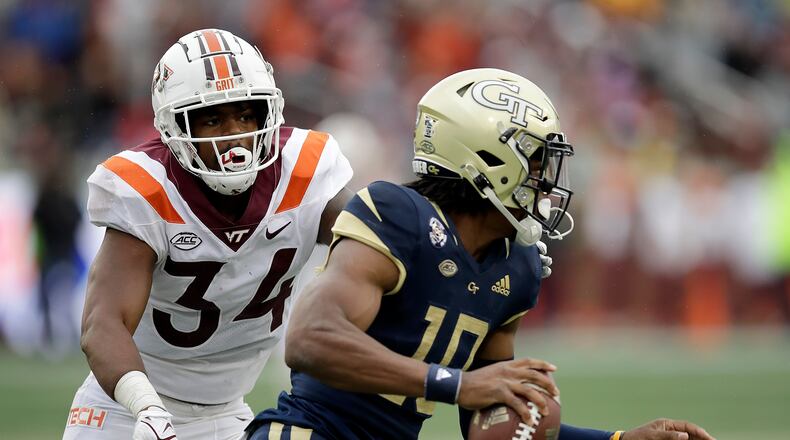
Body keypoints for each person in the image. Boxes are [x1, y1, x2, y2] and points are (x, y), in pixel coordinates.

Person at [244, 68, 715, 440]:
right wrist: (458, 384)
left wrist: (616, 439)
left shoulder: (518, 263)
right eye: (535, 160)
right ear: (486, 159)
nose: (546, 179)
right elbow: (310, 341)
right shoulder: (399, 215)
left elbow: (491, 420)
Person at [62, 29, 353, 440]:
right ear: (174, 126)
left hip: (229, 414)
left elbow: (371, 241)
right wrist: (144, 407)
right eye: (213, 119)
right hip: (126, 410)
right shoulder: (147, 187)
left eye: (246, 114)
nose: (235, 133)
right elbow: (102, 322)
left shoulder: (305, 171)